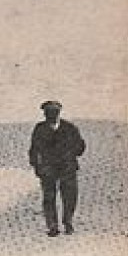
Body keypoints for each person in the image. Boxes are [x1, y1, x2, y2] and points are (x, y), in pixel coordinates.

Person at [28, 100, 86, 236]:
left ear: (59, 113)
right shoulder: (40, 129)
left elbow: (81, 146)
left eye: (54, 113)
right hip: (48, 169)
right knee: (49, 197)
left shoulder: (69, 128)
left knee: (70, 196)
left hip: (67, 168)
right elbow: (33, 150)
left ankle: (68, 222)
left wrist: (70, 154)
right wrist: (37, 166)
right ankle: (52, 225)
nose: (52, 116)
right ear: (45, 114)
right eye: (49, 113)